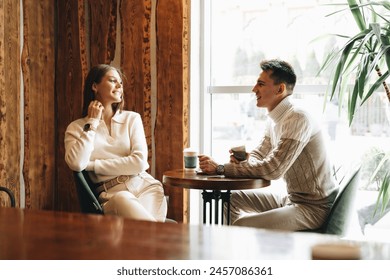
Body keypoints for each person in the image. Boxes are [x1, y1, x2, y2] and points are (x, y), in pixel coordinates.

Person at [198, 59, 337, 231]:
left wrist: (221, 168)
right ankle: (237, 251)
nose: (254, 89)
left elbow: (273, 169)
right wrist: (244, 160)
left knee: (242, 225)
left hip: (313, 208)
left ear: (280, 89)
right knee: (229, 200)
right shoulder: (274, 120)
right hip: (291, 200)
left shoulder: (298, 119)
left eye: (261, 84)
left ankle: (242, 250)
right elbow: (259, 154)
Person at [65, 64, 167, 222]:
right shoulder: (77, 127)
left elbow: (139, 163)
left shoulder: (131, 118)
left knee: (142, 240)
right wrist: (92, 122)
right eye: (113, 81)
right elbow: (77, 164)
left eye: (121, 82)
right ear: (94, 86)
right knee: (126, 203)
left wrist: (92, 165)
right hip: (111, 196)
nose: (120, 86)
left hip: (147, 188)